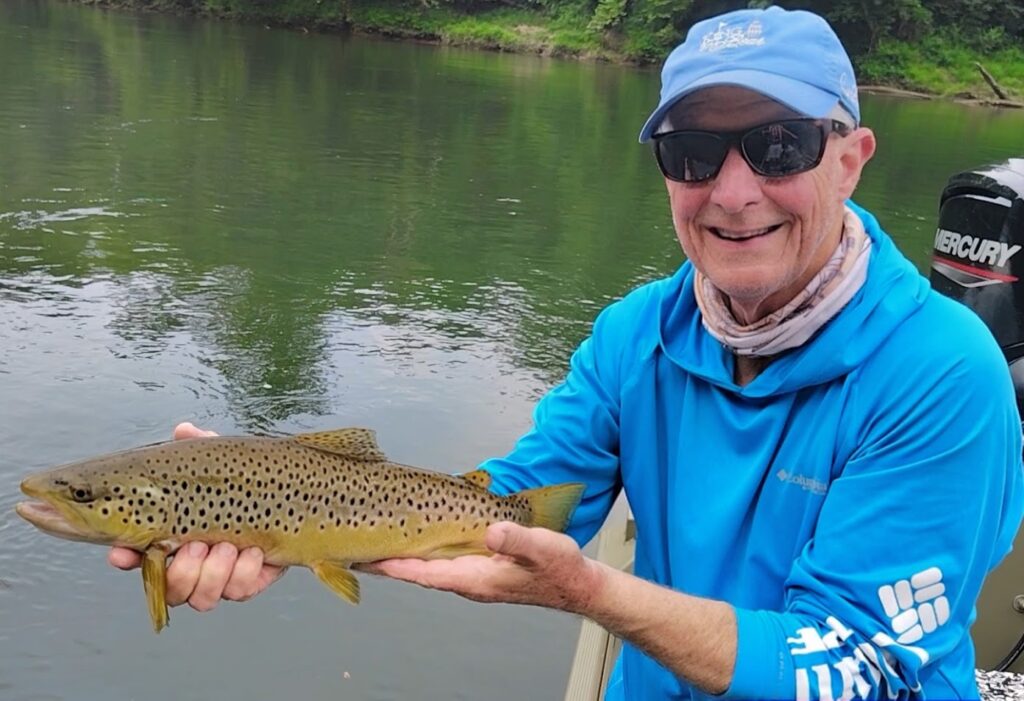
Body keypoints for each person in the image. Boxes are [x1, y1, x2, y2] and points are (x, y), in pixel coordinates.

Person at [110, 7, 1024, 699]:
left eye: (777, 145)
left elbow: (858, 667)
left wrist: (596, 593)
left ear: (851, 158)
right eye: (693, 152)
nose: (733, 190)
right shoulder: (638, 333)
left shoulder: (942, 372)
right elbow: (515, 502)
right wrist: (287, 500)